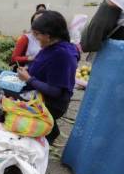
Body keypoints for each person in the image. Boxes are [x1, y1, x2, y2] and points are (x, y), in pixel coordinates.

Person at [62, 0, 124, 174]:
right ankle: (116, 171)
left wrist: (87, 43)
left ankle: (85, 165)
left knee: (100, 110)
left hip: (121, 54)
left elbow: (103, 19)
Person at [16, 10, 79, 145]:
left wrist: (29, 79)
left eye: (37, 34)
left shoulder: (62, 55)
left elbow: (55, 91)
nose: (35, 37)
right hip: (38, 94)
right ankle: (51, 129)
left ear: (48, 35)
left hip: (51, 104)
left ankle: (46, 131)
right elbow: (43, 65)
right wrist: (30, 70)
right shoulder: (51, 46)